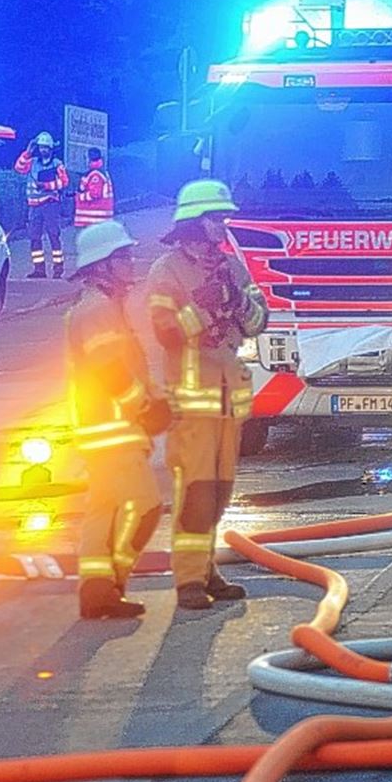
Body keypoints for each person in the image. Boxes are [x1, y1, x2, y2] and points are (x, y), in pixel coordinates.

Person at [147, 179, 268, 611]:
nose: (223, 225)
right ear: (194, 223)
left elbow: (259, 321)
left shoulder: (232, 268)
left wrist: (236, 302)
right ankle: (188, 581)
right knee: (196, 492)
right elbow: (166, 332)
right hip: (193, 401)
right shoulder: (167, 270)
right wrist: (204, 308)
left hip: (228, 401)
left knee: (219, 491)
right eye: (216, 218)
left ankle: (208, 569)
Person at [66, 220, 173, 619]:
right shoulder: (96, 310)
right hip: (111, 430)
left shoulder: (104, 307)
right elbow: (110, 370)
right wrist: (144, 408)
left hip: (106, 428)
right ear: (102, 267)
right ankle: (112, 578)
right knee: (145, 508)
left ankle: (96, 591)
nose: (131, 262)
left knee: (103, 510)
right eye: (122, 257)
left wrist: (155, 400)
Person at [14, 131, 68, 279]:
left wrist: (46, 186)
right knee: (34, 238)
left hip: (50, 204)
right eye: (41, 147)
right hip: (34, 207)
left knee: (53, 235)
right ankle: (39, 269)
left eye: (46, 148)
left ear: (51, 149)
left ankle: (58, 269)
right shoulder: (32, 162)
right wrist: (27, 152)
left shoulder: (57, 164)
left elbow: (64, 182)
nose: (43, 150)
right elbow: (18, 168)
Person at [74, 146, 114, 228]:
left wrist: (79, 197)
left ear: (90, 159)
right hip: (97, 220)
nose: (85, 160)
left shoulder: (95, 175)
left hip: (94, 220)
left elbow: (94, 194)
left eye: (86, 158)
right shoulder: (100, 172)